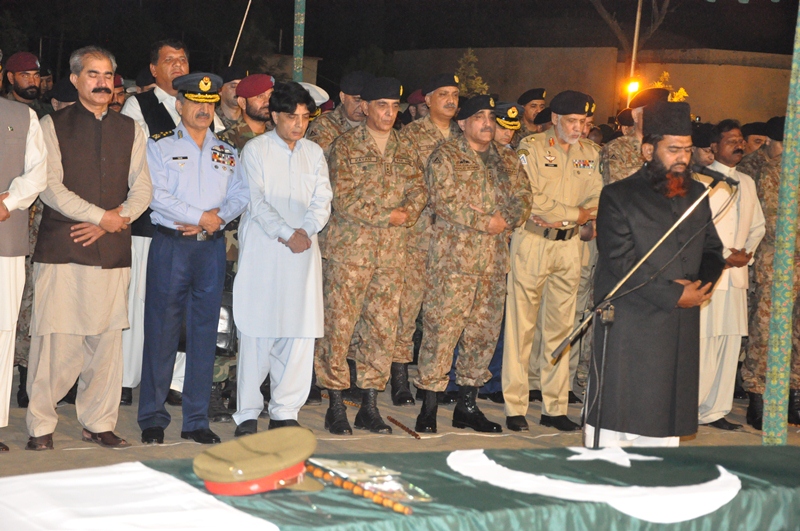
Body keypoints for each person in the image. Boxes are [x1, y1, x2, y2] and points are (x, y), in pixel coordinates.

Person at [26, 45, 152, 451]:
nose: (101, 82)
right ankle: (41, 425)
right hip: (66, 247)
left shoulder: (131, 128)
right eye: (92, 74)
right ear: (76, 79)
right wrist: (103, 217)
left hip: (112, 249)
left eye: (107, 75)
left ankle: (98, 422)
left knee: (106, 344)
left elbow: (144, 187)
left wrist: (118, 218)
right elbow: (49, 187)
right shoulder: (52, 124)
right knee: (56, 342)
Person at [585, 101, 726, 447]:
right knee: (622, 419)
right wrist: (673, 295)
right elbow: (619, 264)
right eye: (673, 149)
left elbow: (712, 250)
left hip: (679, 323)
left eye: (688, 150)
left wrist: (699, 288)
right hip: (632, 322)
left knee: (664, 429)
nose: (682, 157)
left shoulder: (697, 193)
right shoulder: (618, 196)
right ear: (649, 149)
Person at [137, 73, 248, 445]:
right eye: (196, 102)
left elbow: (240, 194)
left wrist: (216, 219)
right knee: (162, 331)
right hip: (173, 246)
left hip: (210, 248)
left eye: (210, 103)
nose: (203, 109)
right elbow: (156, 195)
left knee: (206, 334)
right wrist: (201, 216)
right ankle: (153, 417)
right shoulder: (160, 146)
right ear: (179, 105)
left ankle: (196, 419)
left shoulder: (227, 151)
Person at [414, 95, 532, 434]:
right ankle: (430, 406)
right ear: (462, 123)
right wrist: (487, 223)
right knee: (441, 334)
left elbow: (524, 197)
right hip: (453, 264)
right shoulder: (446, 156)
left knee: (482, 337)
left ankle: (467, 406)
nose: (487, 123)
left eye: (490, 117)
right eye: (478, 116)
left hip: (493, 264)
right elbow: (443, 200)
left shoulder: (507, 161)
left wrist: (503, 219)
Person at [315, 77, 426, 435]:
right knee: (339, 329)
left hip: (392, 256)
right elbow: (342, 197)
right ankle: (334, 404)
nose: (389, 113)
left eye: (394, 107)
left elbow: (420, 189)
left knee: (381, 330)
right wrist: (389, 214)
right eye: (382, 106)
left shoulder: (405, 147)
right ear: (366, 108)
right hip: (350, 252)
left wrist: (408, 210)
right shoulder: (346, 146)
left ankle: (369, 406)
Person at [232, 82, 332, 436]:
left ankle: (285, 410)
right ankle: (247, 413)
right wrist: (286, 233)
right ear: (274, 116)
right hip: (266, 249)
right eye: (291, 117)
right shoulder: (256, 150)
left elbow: (323, 200)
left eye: (304, 118)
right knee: (258, 329)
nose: (298, 124)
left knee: (298, 332)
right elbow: (256, 201)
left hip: (303, 253)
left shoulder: (314, 153)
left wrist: (305, 230)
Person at [503, 91, 601, 433]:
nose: (579, 129)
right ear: (555, 119)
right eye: (573, 121)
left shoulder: (591, 153)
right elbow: (533, 199)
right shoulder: (531, 148)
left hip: (570, 247)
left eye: (585, 123)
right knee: (522, 327)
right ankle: (515, 405)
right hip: (532, 243)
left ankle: (554, 407)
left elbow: (598, 196)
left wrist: (570, 218)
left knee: (562, 329)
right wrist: (577, 214)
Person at [120, 39, 191, 408]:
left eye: (182, 60)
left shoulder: (200, 101)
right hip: (150, 221)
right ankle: (127, 379)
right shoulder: (139, 104)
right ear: (153, 69)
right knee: (140, 302)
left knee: (179, 307)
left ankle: (175, 381)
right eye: (169, 60)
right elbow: (137, 163)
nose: (178, 66)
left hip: (193, 226)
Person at [393, 73, 461, 407]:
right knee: (408, 307)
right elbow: (404, 181)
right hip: (419, 233)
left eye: (455, 94)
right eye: (443, 94)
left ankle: (432, 380)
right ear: (428, 100)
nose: (450, 100)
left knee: (442, 312)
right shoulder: (410, 135)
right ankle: (400, 374)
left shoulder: (465, 134)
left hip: (454, 240)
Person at [13, 78, 78, 410]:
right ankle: (26, 381)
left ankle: (59, 380)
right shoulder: (42, 130)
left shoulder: (87, 135)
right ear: (54, 106)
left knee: (61, 311)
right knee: (29, 309)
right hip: (37, 231)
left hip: (70, 235)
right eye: (67, 106)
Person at [696, 119, 765, 431]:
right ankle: (692, 407)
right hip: (711, 273)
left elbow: (758, 226)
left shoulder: (747, 182)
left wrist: (746, 254)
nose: (738, 146)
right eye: (731, 141)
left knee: (729, 344)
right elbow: (698, 229)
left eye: (741, 140)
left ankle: (715, 410)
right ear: (713, 147)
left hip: (737, 277)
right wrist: (724, 257)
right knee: (704, 343)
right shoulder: (702, 181)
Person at [740, 116, 800, 429]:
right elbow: (778, 224)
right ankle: (757, 397)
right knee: (765, 333)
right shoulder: (766, 170)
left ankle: (794, 395)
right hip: (775, 262)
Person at [0, 89, 47, 452]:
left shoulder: (22, 115)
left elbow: (37, 172)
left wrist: (11, 201)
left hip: (5, 241)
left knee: (2, 332)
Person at [600, 88, 669, 185]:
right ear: (636, 115)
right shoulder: (616, 149)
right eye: (652, 113)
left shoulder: (666, 148)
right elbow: (616, 188)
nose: (658, 119)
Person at [305, 71, 371, 160]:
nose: (362, 106)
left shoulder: (376, 125)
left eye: (367, 101)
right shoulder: (323, 125)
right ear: (343, 97)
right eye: (357, 100)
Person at [218, 73, 275, 153]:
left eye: (270, 96)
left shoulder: (276, 137)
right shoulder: (226, 141)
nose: (267, 102)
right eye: (260, 96)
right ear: (243, 102)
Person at [4, 52, 52, 118]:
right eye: (25, 76)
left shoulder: (48, 112)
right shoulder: (3, 111)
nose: (32, 82)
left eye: (36, 75)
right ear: (11, 77)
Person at [216, 65, 246, 131]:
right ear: (220, 91)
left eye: (242, 86)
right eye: (233, 86)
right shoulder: (211, 120)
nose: (238, 90)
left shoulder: (251, 121)